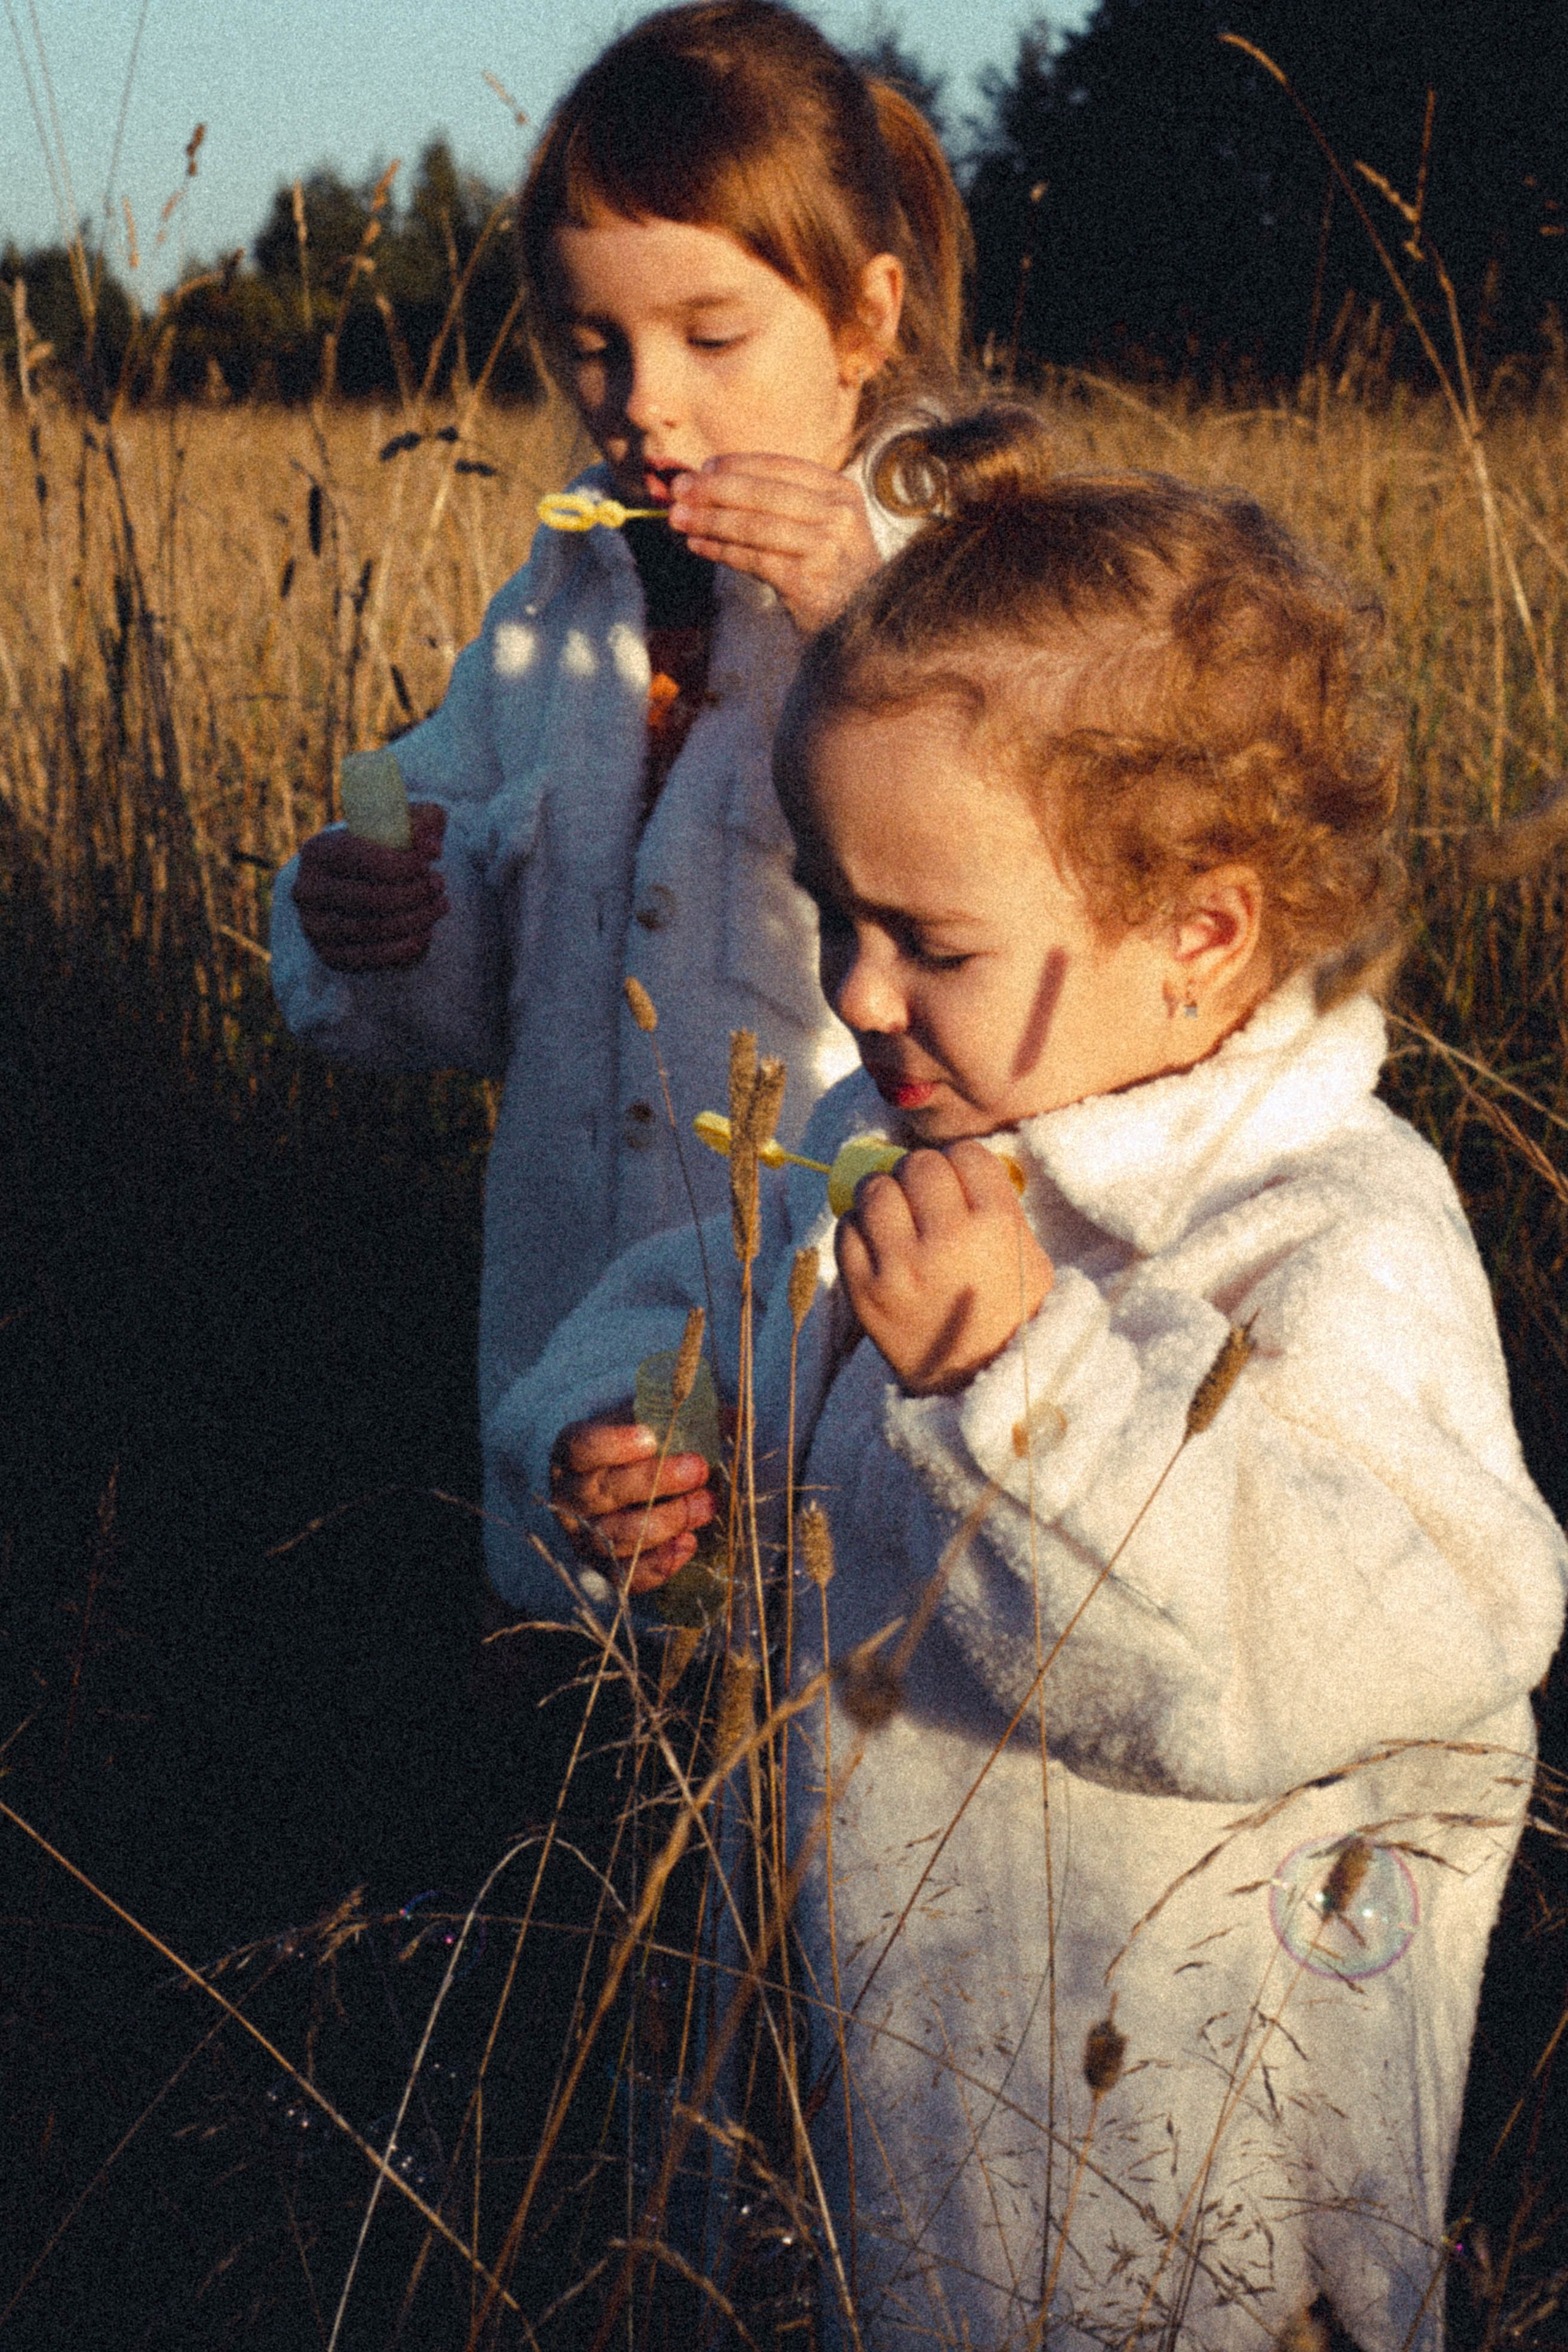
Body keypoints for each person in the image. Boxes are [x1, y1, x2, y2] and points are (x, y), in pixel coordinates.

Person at [499, 409, 1568, 2351]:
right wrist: (635, 1437)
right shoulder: (882, 1139)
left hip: (1178, 2207)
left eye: (930, 942)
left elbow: (1306, 1651)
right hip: (855, 2105)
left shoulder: (1333, 1237)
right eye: (838, 915)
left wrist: (1020, 1383)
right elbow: (694, 1293)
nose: (858, 993)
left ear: (1199, 935)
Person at [268, 1, 970, 1599]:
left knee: (804, 1693)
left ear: (863, 321)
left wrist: (858, 625)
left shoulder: (960, 579)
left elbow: (1031, 877)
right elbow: (464, 966)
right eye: (595, 342)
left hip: (837, 1334)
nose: (645, 399)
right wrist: (383, 917)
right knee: (591, 1707)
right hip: (571, 1347)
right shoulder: (555, 609)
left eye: (712, 339)